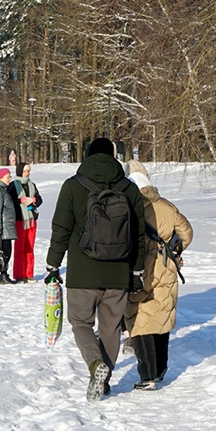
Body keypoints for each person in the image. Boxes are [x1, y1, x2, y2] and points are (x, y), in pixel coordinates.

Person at [45, 137, 147, 401]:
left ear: (87, 155)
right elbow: (138, 235)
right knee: (111, 328)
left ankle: (94, 365)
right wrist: (136, 270)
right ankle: (104, 379)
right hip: (119, 272)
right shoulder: (129, 187)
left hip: (82, 272)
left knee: (81, 323)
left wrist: (53, 263)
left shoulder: (73, 186)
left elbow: (61, 229)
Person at [123, 160, 193, 391]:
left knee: (140, 320)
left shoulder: (130, 207)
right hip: (166, 267)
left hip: (141, 267)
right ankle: (161, 371)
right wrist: (175, 248)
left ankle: (147, 376)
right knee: (161, 318)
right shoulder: (167, 206)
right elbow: (187, 232)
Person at [8, 162, 42, 283]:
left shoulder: (32, 184)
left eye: (28, 171)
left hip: (31, 219)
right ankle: (19, 274)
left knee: (30, 247)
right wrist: (20, 201)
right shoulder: (13, 185)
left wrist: (33, 199)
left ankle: (29, 273)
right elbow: (9, 201)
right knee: (19, 247)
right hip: (19, 220)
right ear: (19, 171)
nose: (27, 173)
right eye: (25, 171)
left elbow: (39, 199)